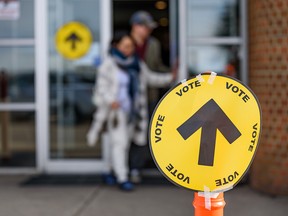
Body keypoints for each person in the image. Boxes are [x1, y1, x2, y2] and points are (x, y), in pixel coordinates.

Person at [129, 11, 176, 182]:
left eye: (149, 28)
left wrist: (173, 74)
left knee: (146, 131)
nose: (148, 31)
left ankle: (138, 166)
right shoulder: (126, 43)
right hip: (128, 98)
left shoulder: (153, 44)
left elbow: (155, 68)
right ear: (136, 26)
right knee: (127, 133)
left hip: (149, 95)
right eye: (145, 27)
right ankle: (126, 167)